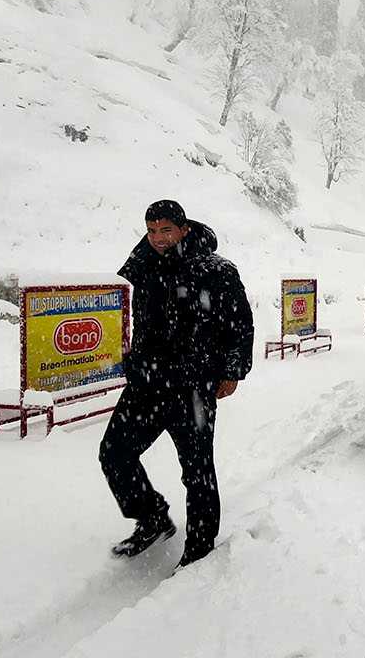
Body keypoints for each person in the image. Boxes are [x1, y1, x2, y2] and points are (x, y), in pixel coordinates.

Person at [100, 200, 254, 569]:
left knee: (197, 470)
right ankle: (152, 517)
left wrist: (232, 371)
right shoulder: (145, 266)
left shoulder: (216, 271)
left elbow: (240, 325)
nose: (157, 238)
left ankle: (199, 549)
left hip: (193, 387)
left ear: (184, 229)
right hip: (147, 383)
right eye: (151, 230)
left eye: (165, 230)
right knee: (114, 453)